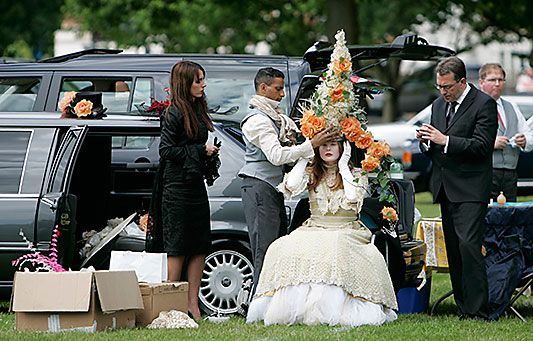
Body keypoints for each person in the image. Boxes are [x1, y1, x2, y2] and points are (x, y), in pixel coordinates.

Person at [246, 141, 398, 326]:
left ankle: (331, 309)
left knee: (335, 245)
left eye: (333, 144)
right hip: (315, 227)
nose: (327, 149)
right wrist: (305, 155)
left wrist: (343, 165)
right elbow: (292, 185)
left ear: (343, 148)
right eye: (323, 145)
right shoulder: (313, 174)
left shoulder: (357, 174)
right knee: (280, 246)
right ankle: (295, 309)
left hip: (346, 230)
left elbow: (352, 197)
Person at [239, 67, 336, 301]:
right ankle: (257, 304)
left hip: (270, 188)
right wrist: (311, 144)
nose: (282, 94)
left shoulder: (276, 118)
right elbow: (276, 156)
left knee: (277, 245)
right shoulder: (257, 121)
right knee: (265, 248)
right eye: (278, 88)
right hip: (259, 186)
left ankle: (272, 300)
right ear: (263, 88)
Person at [416, 56, 498, 320]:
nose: (442, 92)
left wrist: (445, 140)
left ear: (463, 82)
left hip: (472, 187)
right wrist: (428, 141)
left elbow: (482, 146)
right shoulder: (439, 105)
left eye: (447, 87)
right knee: (454, 249)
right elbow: (434, 144)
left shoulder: (484, 104)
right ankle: (464, 307)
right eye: (439, 86)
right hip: (445, 186)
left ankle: (478, 310)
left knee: (468, 246)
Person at [159, 61, 219, 320]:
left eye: (203, 79)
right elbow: (165, 151)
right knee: (178, 244)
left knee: (199, 244)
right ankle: (171, 305)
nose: (203, 84)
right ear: (184, 83)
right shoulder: (173, 112)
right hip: (176, 187)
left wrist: (209, 153)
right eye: (198, 80)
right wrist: (199, 150)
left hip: (195, 185)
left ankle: (193, 305)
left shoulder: (197, 109)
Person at [478, 63, 533, 202]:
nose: (497, 84)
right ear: (481, 82)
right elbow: (465, 141)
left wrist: (524, 140)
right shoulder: (473, 108)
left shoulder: (511, 106)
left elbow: (528, 134)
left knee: (510, 216)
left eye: (501, 80)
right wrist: (491, 143)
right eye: (492, 80)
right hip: (483, 173)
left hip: (510, 174)